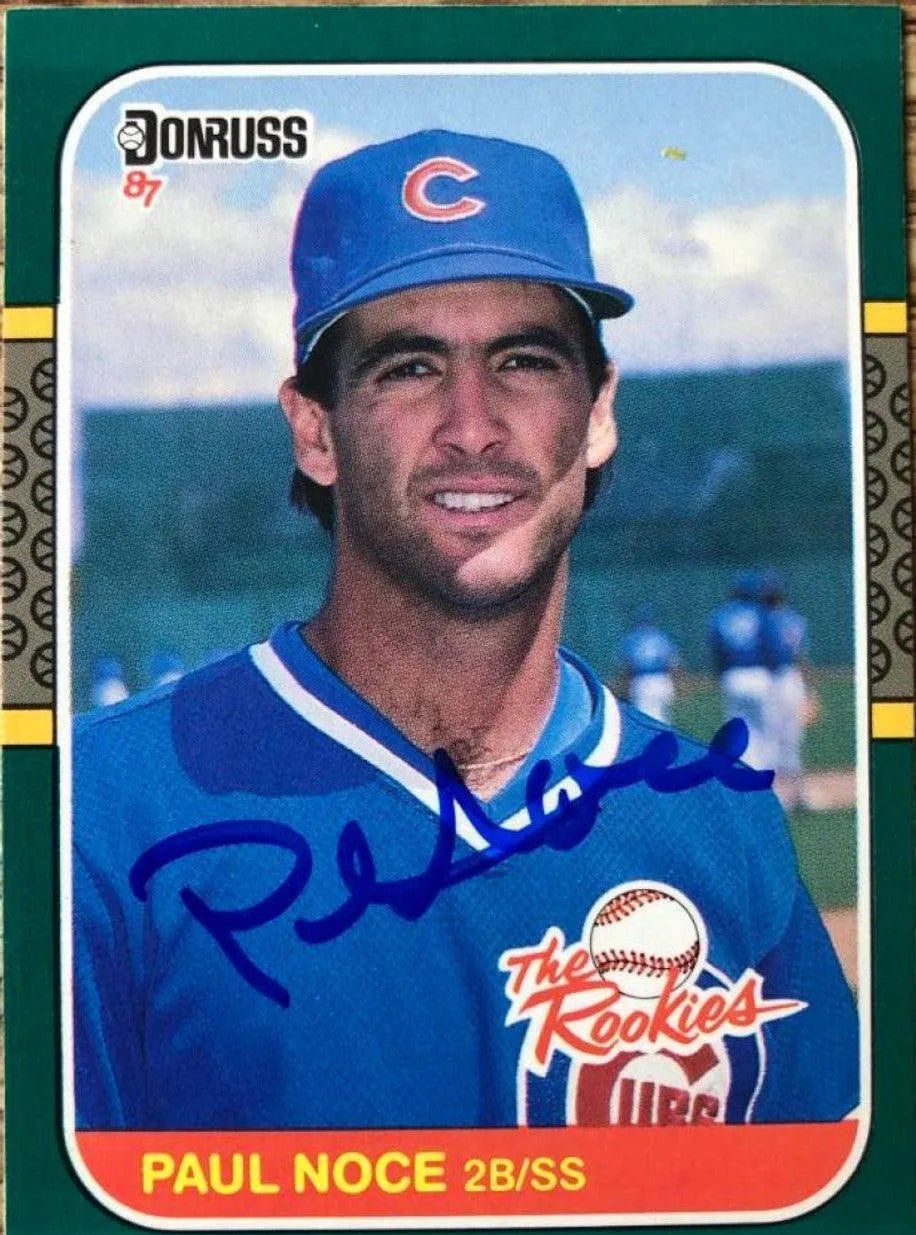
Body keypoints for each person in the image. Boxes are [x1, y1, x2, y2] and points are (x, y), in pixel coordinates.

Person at [73, 130, 858, 1133]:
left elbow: (827, 1200)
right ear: (315, 431)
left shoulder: (723, 825)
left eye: (524, 360)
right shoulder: (100, 812)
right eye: (409, 367)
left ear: (599, 413)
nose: (473, 425)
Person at [759, 570, 813, 810]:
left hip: (772, 680)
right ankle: (797, 794)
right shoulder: (795, 619)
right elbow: (803, 657)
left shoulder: (760, 620)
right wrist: (810, 690)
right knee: (789, 738)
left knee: (771, 738)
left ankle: (780, 794)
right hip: (791, 680)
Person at [707, 571, 772, 770]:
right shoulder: (762, 612)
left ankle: (743, 771)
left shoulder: (720, 615)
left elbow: (716, 649)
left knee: (737, 730)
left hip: (733, 676)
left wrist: (720, 675)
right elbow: (771, 644)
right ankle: (765, 772)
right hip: (759, 674)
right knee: (765, 728)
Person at [618, 610, 679, 724]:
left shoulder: (633, 638)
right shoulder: (661, 636)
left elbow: (627, 666)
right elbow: (673, 662)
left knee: (646, 721)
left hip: (642, 681)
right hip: (662, 680)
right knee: (664, 720)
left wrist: (624, 686)